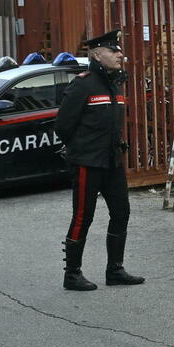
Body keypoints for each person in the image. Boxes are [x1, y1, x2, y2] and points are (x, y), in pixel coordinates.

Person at [54, 29, 145, 291]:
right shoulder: (83, 83)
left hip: (111, 160)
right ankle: (72, 274)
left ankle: (115, 270)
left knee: (121, 212)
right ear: (96, 54)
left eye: (119, 50)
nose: (120, 54)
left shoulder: (115, 84)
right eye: (113, 51)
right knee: (83, 216)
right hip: (86, 161)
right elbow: (63, 125)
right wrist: (81, 149)